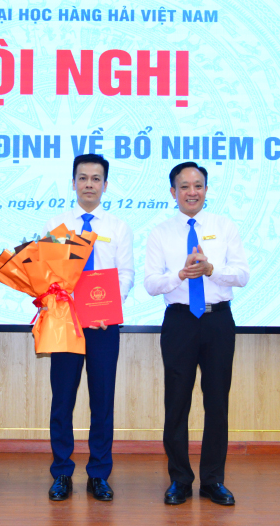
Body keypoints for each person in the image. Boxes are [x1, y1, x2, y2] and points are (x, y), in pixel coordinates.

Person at [144, 162, 250, 506]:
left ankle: (213, 481)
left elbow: (242, 275)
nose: (192, 192)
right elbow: (151, 284)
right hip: (179, 322)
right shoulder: (160, 233)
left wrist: (211, 270)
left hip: (218, 321)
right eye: (185, 186)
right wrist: (180, 275)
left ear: (206, 189)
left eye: (198, 185)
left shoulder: (224, 226)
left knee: (217, 402)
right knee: (176, 402)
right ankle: (179, 480)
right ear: (173, 192)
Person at [42, 153, 134, 501]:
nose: (89, 184)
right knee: (62, 401)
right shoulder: (58, 225)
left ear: (105, 185)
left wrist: (108, 307)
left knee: (102, 401)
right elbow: (49, 274)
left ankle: (99, 474)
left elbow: (126, 273)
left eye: (96, 179)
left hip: (103, 327)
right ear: (73, 182)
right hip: (66, 325)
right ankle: (62, 473)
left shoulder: (117, 227)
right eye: (83, 178)